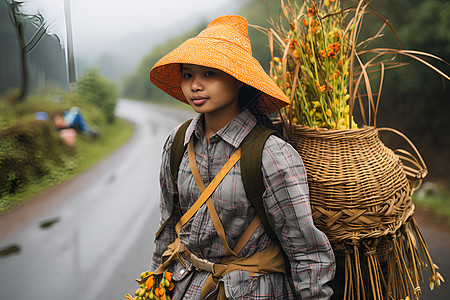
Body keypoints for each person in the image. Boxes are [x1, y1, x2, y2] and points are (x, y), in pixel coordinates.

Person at [149, 15, 335, 299]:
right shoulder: (176, 144)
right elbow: (167, 230)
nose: (195, 86)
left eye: (209, 73)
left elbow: (306, 253)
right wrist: (153, 284)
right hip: (183, 289)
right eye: (188, 75)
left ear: (238, 80)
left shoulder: (271, 155)